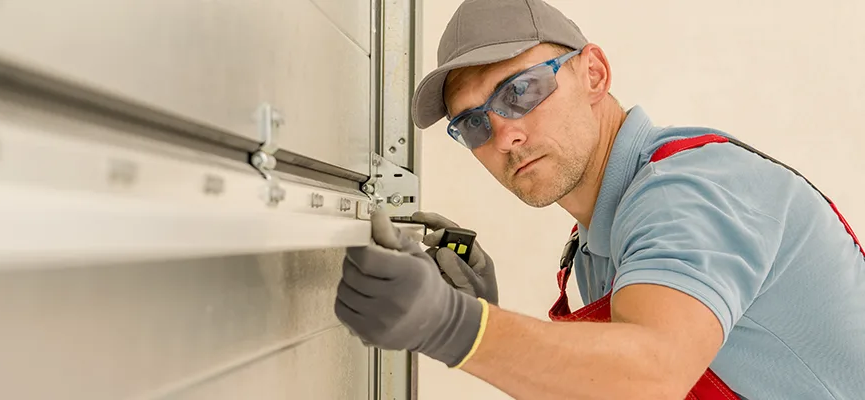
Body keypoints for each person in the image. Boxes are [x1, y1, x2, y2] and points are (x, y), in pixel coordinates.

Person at [333, 0, 865, 398]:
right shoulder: (593, 247)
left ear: (594, 74)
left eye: (520, 92)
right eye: (473, 124)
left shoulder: (690, 189)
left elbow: (653, 374)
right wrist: (484, 318)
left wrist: (457, 325)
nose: (502, 136)